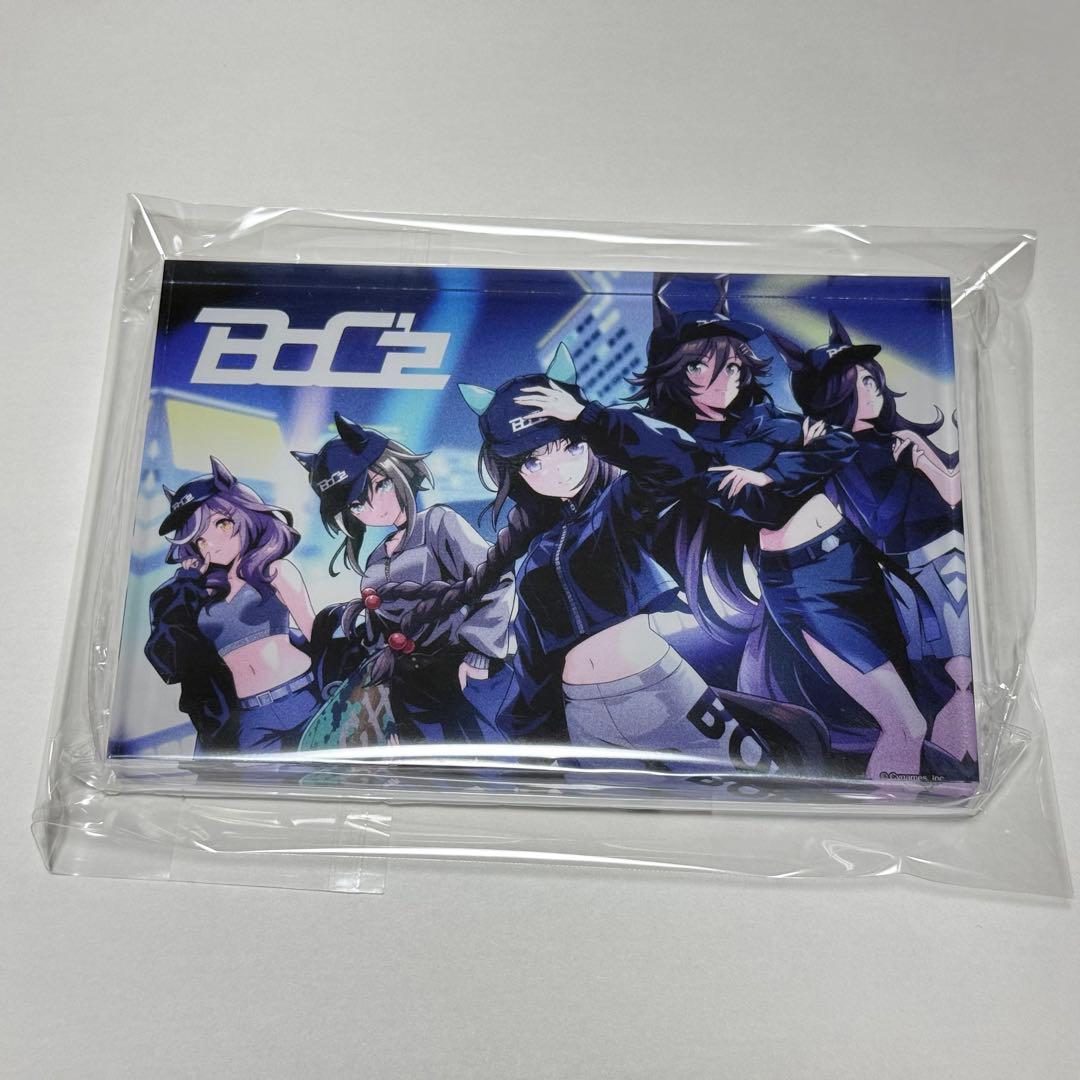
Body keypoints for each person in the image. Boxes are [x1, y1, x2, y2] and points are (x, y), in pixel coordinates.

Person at [355, 344, 829, 774]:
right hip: (593, 715)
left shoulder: (625, 500)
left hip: (670, 677)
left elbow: (682, 460)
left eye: (571, 446)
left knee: (748, 783)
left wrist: (590, 417)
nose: (558, 470)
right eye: (534, 461)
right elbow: (537, 670)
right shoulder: (538, 557)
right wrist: (533, 748)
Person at [631, 278, 940, 781]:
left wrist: (775, 470)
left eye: (733, 366)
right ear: (673, 373)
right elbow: (762, 504)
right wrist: (793, 464)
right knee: (905, 724)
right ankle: (891, 820)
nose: (724, 381)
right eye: (700, 366)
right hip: (806, 585)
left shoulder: (763, 418)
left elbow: (837, 443)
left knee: (917, 701)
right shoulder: (686, 449)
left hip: (854, 562)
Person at [782, 312, 974, 765]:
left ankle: (949, 771)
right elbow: (880, 524)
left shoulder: (898, 437)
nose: (873, 388)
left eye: (871, 379)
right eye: (859, 384)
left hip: (953, 557)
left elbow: (954, 494)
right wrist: (909, 468)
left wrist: (926, 460)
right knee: (955, 680)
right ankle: (941, 774)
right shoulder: (843, 455)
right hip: (916, 568)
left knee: (963, 683)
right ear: (834, 397)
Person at [292, 413, 513, 743]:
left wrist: (480, 654)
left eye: (381, 485)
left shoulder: (438, 523)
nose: (375, 507)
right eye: (357, 505)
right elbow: (380, 637)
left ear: (398, 471)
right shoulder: (375, 560)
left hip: (465, 672)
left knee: (490, 758)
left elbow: (497, 579)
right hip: (410, 690)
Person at [144, 457, 319, 753]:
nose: (212, 544)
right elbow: (171, 649)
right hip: (251, 716)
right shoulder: (200, 592)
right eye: (200, 540)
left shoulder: (274, 570)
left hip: (303, 694)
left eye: (222, 524)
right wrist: (187, 582)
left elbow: (316, 633)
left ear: (245, 516)